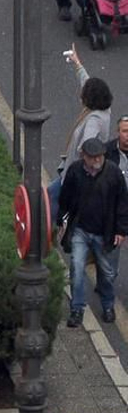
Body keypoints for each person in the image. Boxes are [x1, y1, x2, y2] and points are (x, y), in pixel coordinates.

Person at [57, 134, 128, 327]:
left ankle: (107, 305)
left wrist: (121, 231)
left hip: (104, 232)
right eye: (93, 157)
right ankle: (77, 308)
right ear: (84, 157)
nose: (97, 160)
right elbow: (65, 198)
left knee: (106, 272)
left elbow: (122, 204)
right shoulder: (75, 171)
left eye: (100, 156)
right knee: (77, 268)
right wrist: (61, 221)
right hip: (80, 229)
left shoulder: (113, 174)